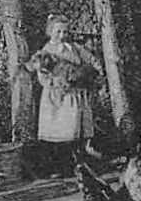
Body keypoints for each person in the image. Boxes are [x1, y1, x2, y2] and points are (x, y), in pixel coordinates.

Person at [25, 14, 102, 177]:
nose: (62, 35)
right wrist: (55, 82)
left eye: (65, 32)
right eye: (58, 31)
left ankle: (79, 164)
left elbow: (92, 60)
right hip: (57, 98)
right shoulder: (46, 51)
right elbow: (43, 76)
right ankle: (60, 167)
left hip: (75, 94)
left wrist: (91, 72)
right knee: (59, 132)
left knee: (75, 131)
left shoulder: (74, 48)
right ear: (50, 31)